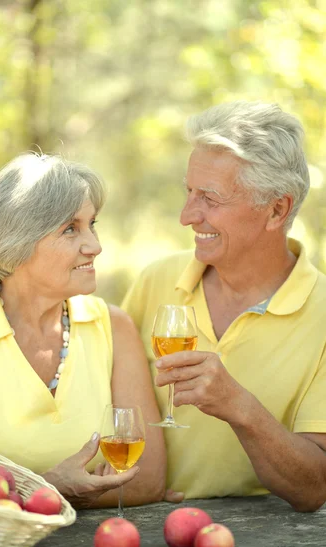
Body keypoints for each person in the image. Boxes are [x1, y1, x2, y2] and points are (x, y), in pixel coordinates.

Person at [0, 153, 166, 509]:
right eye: (70, 229)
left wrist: (12, 494)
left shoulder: (113, 327)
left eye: (92, 224)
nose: (95, 246)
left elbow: (147, 479)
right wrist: (52, 487)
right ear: (16, 243)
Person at [122, 100, 326, 512]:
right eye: (189, 192)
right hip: (141, 534)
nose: (186, 216)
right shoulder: (155, 280)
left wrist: (239, 407)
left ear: (276, 209)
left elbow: (315, 486)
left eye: (210, 199)